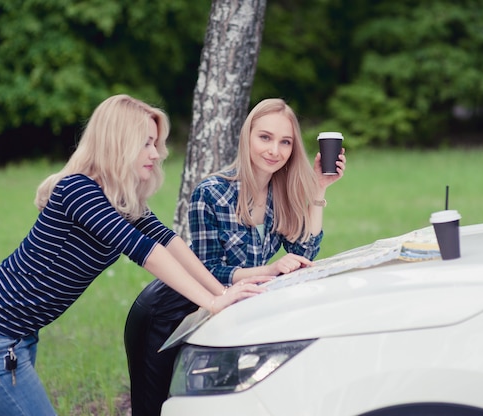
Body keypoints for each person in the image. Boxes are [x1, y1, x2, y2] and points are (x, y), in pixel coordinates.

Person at [0, 94, 264, 416]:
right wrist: (211, 303)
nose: (156, 154)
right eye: (146, 144)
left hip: (13, 334)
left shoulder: (120, 199)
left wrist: (222, 292)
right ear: (119, 143)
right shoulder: (78, 191)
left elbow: (170, 242)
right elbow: (147, 252)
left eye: (156, 143)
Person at [124, 98, 346, 415]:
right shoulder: (212, 192)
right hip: (170, 311)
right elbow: (205, 269)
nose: (275, 150)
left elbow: (303, 253)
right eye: (265, 137)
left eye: (285, 142)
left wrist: (319, 191)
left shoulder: (282, 192)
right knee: (157, 407)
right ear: (247, 137)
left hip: (230, 307)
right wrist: (268, 270)